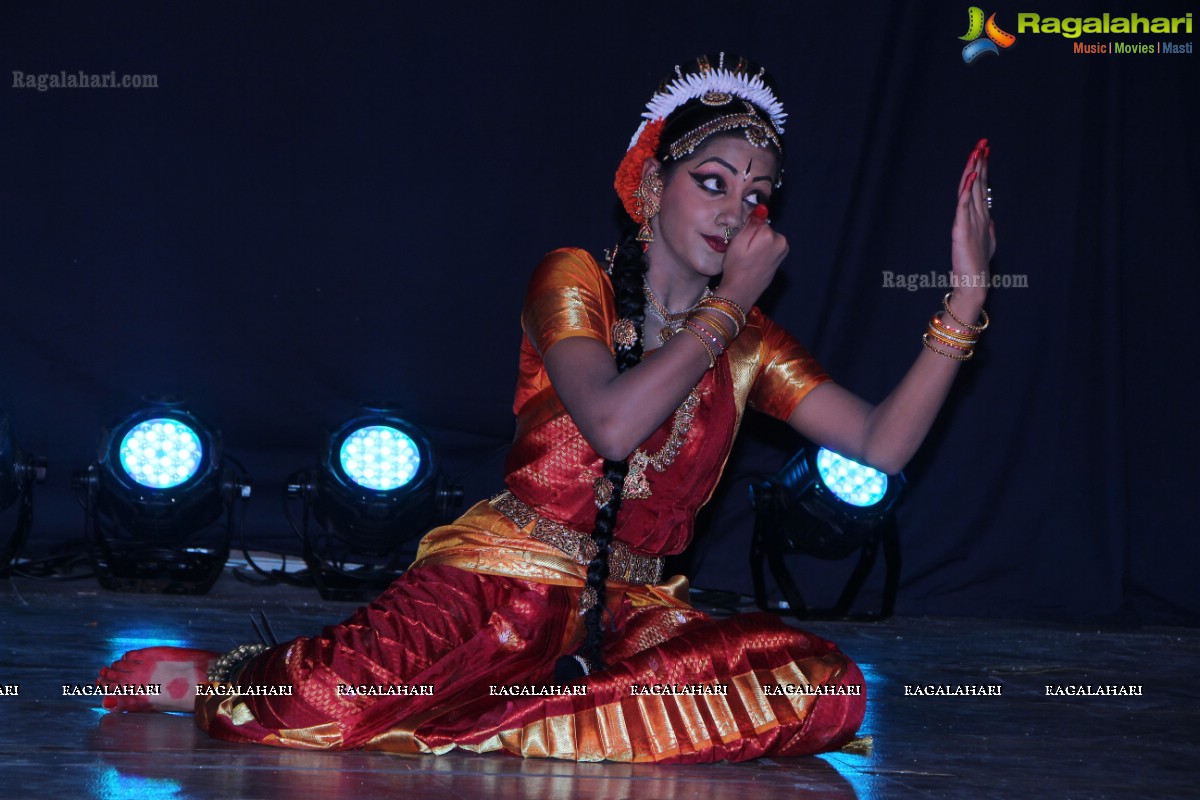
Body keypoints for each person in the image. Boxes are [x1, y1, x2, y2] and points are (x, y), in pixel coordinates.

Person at [98, 54, 994, 763]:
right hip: (497, 580)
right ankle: (226, 675)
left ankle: (498, 722)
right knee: (295, 716)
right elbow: (609, 425)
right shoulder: (577, 281)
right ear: (652, 183)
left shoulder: (750, 344)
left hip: (630, 619)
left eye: (756, 194)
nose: (736, 211)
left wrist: (962, 301)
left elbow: (878, 446)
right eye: (714, 181)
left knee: (821, 689)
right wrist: (727, 310)